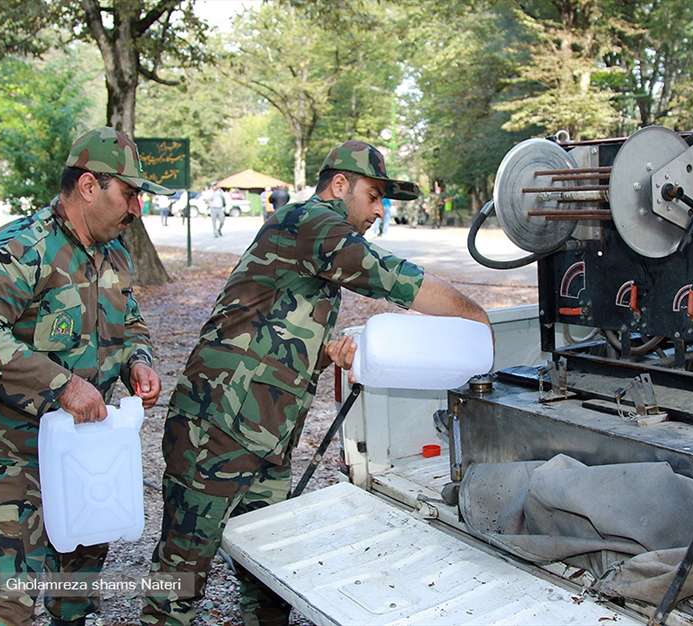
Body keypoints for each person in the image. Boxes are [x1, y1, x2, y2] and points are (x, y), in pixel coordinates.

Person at [141, 140, 489, 626]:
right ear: (340, 184)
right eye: (373, 195)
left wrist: (323, 353)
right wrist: (475, 316)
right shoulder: (310, 222)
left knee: (266, 563)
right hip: (215, 425)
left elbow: (273, 327)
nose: (378, 209)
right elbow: (387, 276)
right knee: (182, 569)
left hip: (265, 431)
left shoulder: (314, 241)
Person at [0, 127, 168, 625]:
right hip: (3, 452)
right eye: (128, 194)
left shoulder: (114, 253)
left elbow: (129, 323)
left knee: (76, 586)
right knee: (5, 600)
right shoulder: (21, 248)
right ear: (89, 186)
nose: (135, 209)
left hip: (84, 450)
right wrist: (60, 385)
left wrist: (138, 361)